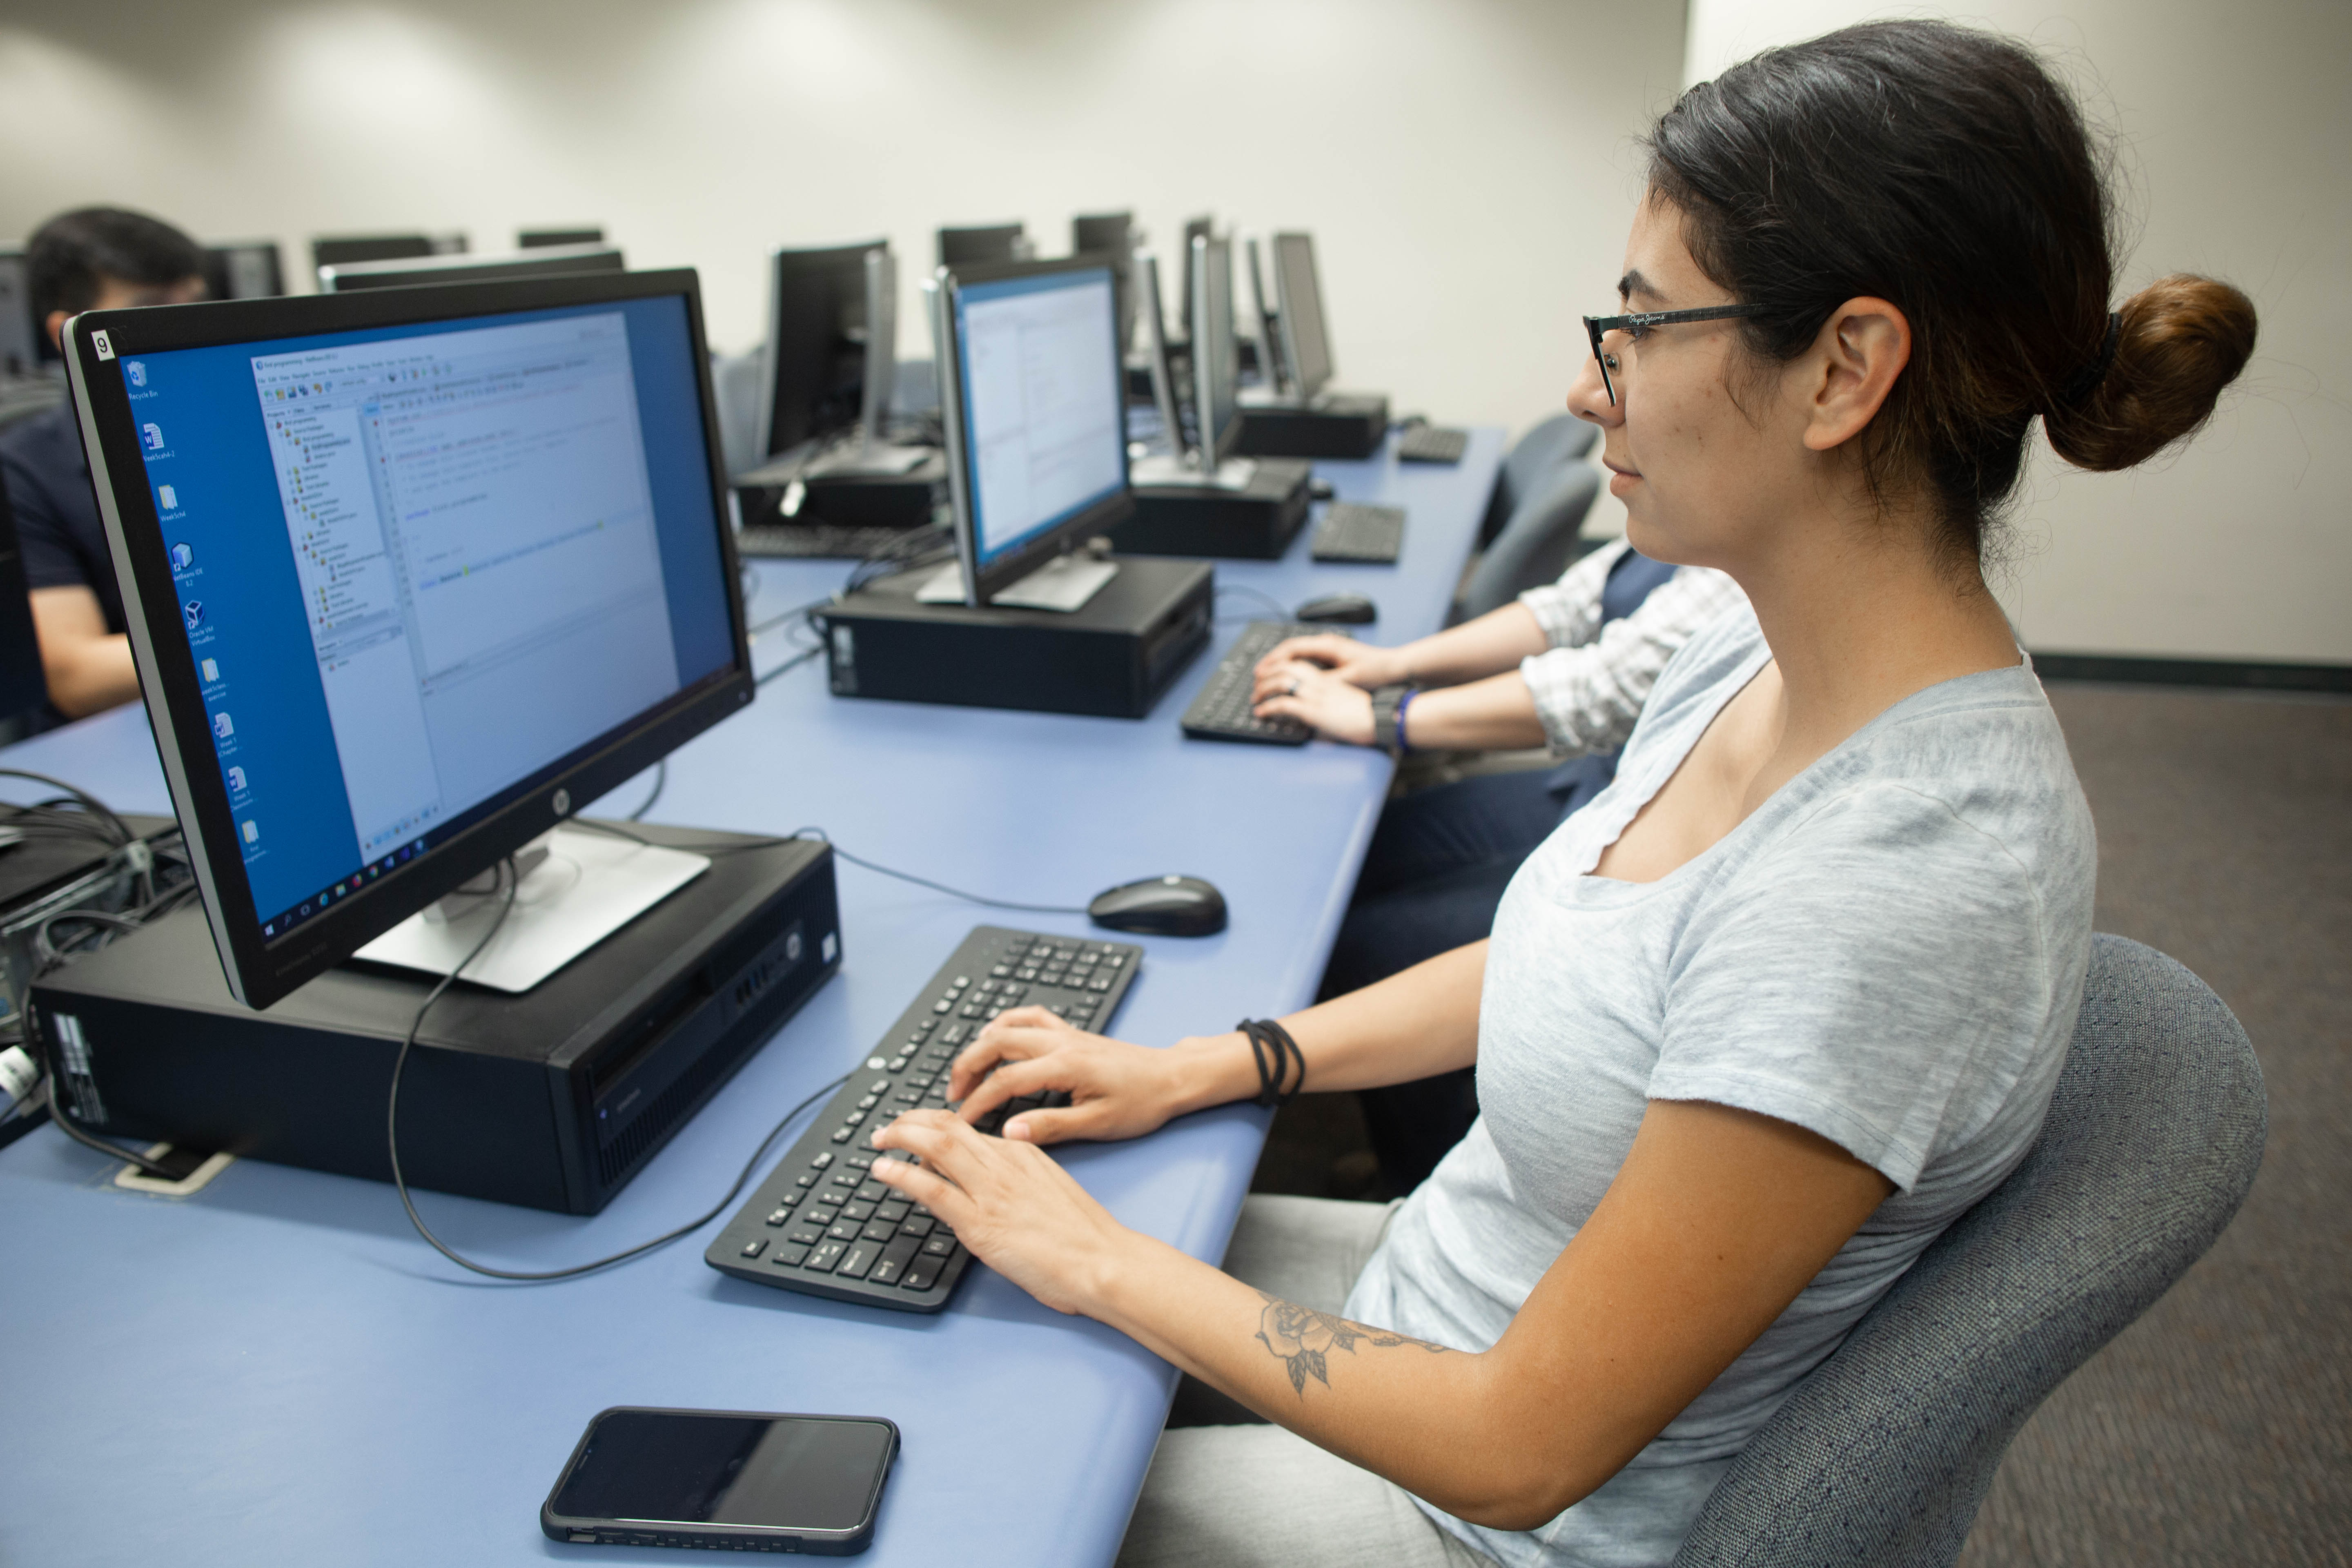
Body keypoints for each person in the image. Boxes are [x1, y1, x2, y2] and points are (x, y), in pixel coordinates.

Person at [865, 20, 2256, 1568]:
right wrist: (1210, 1067)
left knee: (947, 1507)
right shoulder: (1749, 634)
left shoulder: (1901, 880)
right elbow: (1571, 958)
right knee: (940, 1286)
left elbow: (1514, 1446)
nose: (1590, 389)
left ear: (1844, 371)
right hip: (1426, 1291)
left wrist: (1103, 1268)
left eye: (1642, 328)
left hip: (1471, 1511)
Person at [1248, 541, 1748, 1191]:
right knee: (1361, 864)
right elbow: (1569, 607)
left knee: (1371, 950)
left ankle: (1412, 1170)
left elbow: (1602, 691)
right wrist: (1392, 666)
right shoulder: (1682, 517)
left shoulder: (1755, 553)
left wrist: (1386, 715)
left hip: (1639, 816)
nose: (1604, 431)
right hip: (1605, 783)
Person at [0, 207, 207, 721]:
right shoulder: (24, 471)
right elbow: (75, 673)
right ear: (64, 334)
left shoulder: (219, 430)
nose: (181, 332)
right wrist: (254, 630)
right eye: (150, 311)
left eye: (194, 307)